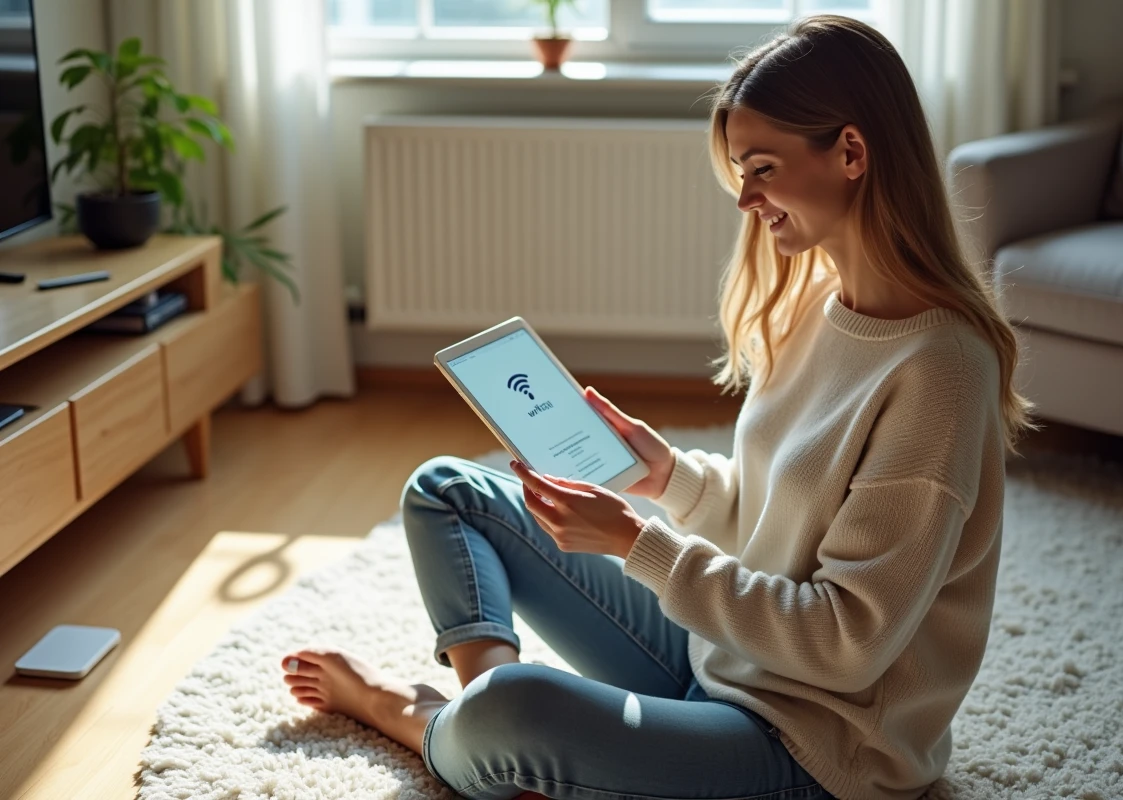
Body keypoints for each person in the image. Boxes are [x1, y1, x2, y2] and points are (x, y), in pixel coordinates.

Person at [279, 13, 1036, 800]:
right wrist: (666, 475)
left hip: (816, 747)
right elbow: (773, 515)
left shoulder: (941, 371)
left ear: (851, 152)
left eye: (763, 167)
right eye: (743, 170)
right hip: (724, 661)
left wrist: (639, 544)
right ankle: (501, 746)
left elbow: (848, 644)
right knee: (448, 489)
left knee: (517, 707)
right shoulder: (820, 302)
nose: (746, 198)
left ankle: (426, 718)